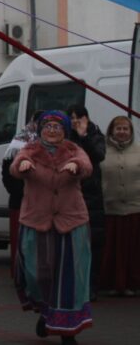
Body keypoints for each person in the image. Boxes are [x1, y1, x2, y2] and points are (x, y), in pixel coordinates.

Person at [10, 111, 93, 343]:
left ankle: (68, 331)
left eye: (58, 127)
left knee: (69, 278)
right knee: (37, 275)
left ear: (65, 131)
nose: (53, 131)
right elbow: (15, 167)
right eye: (48, 126)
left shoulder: (74, 150)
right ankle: (46, 313)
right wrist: (23, 164)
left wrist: (76, 165)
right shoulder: (30, 149)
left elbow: (87, 166)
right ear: (41, 130)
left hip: (71, 221)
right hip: (37, 221)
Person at [67, 104, 106, 300]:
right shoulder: (66, 137)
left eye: (78, 118)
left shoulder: (95, 134)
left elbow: (99, 155)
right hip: (72, 194)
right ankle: (76, 285)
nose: (75, 122)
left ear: (86, 118)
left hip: (92, 195)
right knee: (75, 245)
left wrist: (84, 137)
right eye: (72, 118)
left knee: (94, 243)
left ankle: (91, 286)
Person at [100, 115, 140, 295]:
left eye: (125, 129)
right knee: (112, 250)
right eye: (119, 129)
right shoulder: (102, 152)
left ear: (131, 131)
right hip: (110, 207)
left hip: (135, 207)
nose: (122, 132)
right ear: (112, 131)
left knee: (133, 250)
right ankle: (111, 285)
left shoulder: (139, 151)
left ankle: (134, 284)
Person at [1, 113, 40, 276]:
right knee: (21, 240)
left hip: (42, 202)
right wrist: (22, 192)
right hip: (20, 201)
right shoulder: (19, 143)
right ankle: (21, 273)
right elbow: (7, 173)